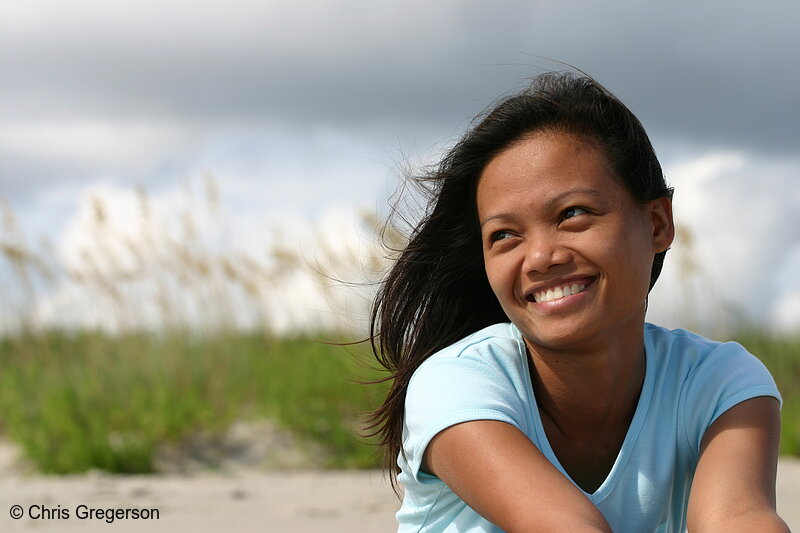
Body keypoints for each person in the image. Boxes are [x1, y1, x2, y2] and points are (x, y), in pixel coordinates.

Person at [367, 72, 788, 532]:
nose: (541, 257)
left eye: (573, 214)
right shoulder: (456, 385)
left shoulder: (718, 383)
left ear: (656, 224)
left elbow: (738, 518)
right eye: (504, 235)